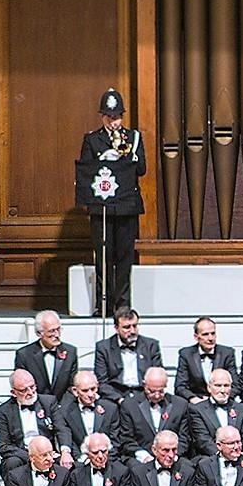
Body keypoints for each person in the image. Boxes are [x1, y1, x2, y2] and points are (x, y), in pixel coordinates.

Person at [79, 88, 146, 317]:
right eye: (110, 117)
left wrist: (126, 155)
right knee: (104, 257)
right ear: (102, 117)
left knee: (125, 257)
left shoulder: (134, 138)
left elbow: (142, 169)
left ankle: (123, 305)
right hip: (102, 207)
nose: (114, 121)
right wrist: (105, 158)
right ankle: (104, 304)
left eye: (117, 116)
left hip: (126, 204)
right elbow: (86, 172)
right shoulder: (92, 139)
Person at [0, 369, 71, 466]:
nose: (30, 392)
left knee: (70, 465)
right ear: (13, 392)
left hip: (48, 453)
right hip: (22, 456)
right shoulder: (4, 411)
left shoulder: (48, 402)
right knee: (11, 463)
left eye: (32, 387)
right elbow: (4, 446)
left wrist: (65, 452)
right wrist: (32, 456)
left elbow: (62, 429)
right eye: (24, 390)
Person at [94, 308, 162, 403]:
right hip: (116, 397)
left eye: (135, 326)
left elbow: (158, 377)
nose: (132, 331)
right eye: (127, 327)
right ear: (116, 328)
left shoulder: (151, 345)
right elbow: (102, 382)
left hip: (144, 396)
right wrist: (119, 399)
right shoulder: (104, 347)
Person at [13, 310, 77, 402]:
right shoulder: (24, 355)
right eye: (52, 331)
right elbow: (22, 385)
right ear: (39, 333)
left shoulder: (70, 352)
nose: (57, 335)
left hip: (62, 407)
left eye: (58, 329)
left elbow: (72, 386)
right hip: (36, 405)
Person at [173, 317, 236, 402]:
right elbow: (180, 386)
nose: (210, 338)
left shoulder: (227, 353)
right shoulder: (186, 354)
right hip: (196, 403)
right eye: (205, 334)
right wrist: (194, 399)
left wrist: (220, 399)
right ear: (196, 337)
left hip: (222, 401)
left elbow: (236, 385)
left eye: (213, 333)